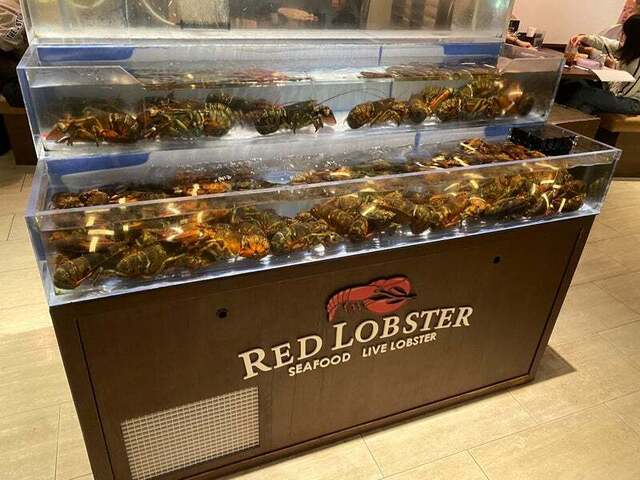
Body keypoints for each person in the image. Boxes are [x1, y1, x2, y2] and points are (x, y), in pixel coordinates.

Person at [562, 14, 640, 115]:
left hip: (632, 102)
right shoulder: (630, 49)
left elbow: (627, 89)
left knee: (585, 93)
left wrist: (609, 93)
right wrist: (584, 38)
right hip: (620, 94)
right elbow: (606, 43)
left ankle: (563, 117)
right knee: (578, 87)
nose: (621, 36)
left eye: (625, 33)